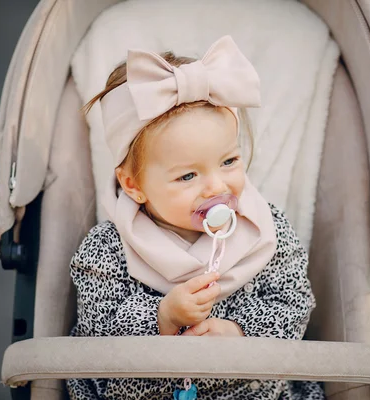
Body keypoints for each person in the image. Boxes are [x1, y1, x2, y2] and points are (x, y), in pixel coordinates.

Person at [67, 35, 324, 400]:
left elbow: (294, 304)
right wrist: (162, 317)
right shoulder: (107, 249)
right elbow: (97, 329)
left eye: (229, 161)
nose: (216, 186)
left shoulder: (266, 229)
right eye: (188, 176)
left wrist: (238, 331)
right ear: (133, 184)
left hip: (247, 390)